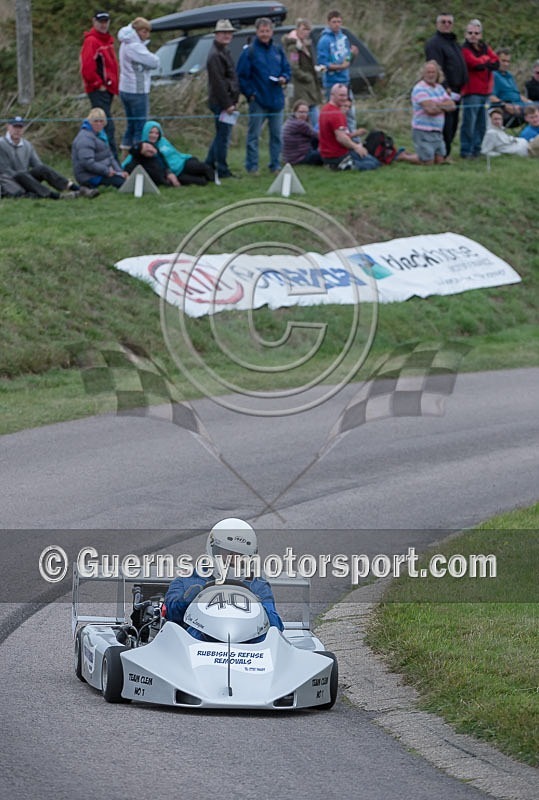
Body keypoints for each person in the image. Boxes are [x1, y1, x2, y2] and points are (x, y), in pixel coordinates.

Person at [164, 518, 284, 642]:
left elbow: (276, 627)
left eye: (240, 556)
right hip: (199, 642)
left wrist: (260, 608)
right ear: (213, 549)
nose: (233, 560)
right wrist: (187, 600)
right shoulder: (188, 579)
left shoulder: (258, 585)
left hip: (246, 645)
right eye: (228, 553)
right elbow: (170, 614)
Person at [237, 17, 291, 175]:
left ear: (272, 32)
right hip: (258, 100)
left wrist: (284, 78)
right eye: (262, 31)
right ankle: (252, 166)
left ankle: (275, 165)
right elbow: (241, 76)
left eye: (267, 31)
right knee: (254, 136)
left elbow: (287, 69)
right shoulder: (250, 52)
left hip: (276, 100)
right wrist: (250, 94)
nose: (265, 34)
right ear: (257, 32)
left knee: (276, 135)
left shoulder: (278, 50)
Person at [0, 116, 98, 199]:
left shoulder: (27, 145)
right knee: (21, 175)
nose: (17, 130)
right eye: (15, 127)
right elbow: (5, 170)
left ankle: (78, 189)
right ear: (8, 127)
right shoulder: (1, 144)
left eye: (20, 127)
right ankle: (55, 196)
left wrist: (32, 177)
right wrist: (27, 179)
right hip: (9, 181)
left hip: (25, 177)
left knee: (42, 169)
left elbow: (37, 165)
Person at [424, 12, 468, 157]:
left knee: (454, 122)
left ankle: (446, 153)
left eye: (449, 22)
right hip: (444, 90)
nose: (447, 24)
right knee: (446, 124)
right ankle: (441, 154)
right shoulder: (434, 43)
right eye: (443, 22)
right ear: (437, 24)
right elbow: (435, 67)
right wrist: (444, 86)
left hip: (458, 89)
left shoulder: (454, 42)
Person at [124, 120, 214, 186]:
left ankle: (216, 182)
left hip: (183, 163)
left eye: (156, 133)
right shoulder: (142, 147)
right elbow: (129, 161)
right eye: (150, 132)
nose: (154, 135)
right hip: (173, 173)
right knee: (202, 182)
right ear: (145, 132)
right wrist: (123, 172)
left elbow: (175, 153)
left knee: (205, 168)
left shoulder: (163, 141)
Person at [79, 10, 119, 159]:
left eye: (105, 22)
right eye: (100, 22)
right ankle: (111, 160)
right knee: (105, 126)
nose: (103, 25)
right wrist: (98, 84)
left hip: (108, 90)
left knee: (103, 125)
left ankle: (105, 158)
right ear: (94, 22)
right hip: (98, 90)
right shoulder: (92, 41)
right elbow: (87, 67)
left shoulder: (107, 40)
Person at [117, 17, 160, 154]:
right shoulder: (135, 46)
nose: (147, 35)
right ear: (137, 31)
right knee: (140, 127)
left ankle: (125, 154)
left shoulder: (125, 42)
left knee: (131, 125)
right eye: (144, 31)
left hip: (125, 88)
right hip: (137, 90)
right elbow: (154, 62)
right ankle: (138, 156)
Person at [205, 19, 240, 180]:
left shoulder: (223, 51)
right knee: (223, 137)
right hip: (221, 102)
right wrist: (227, 104)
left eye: (229, 33)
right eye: (224, 33)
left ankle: (209, 164)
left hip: (226, 100)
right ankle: (222, 169)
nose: (227, 35)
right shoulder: (215, 55)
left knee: (221, 135)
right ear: (217, 34)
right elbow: (218, 83)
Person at [460, 19, 499, 159]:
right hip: (471, 91)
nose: (473, 35)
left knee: (482, 124)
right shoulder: (464, 49)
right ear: (466, 34)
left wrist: (484, 60)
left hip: (485, 91)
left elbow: (496, 63)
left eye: (476, 33)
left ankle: (476, 149)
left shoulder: (485, 47)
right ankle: (466, 150)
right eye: (470, 33)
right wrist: (486, 59)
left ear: (481, 35)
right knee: (469, 123)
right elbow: (474, 64)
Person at [318, 83, 380, 170]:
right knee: (372, 164)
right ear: (332, 95)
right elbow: (341, 138)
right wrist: (356, 147)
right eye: (341, 95)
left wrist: (355, 136)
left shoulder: (325, 109)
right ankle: (334, 166)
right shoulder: (336, 113)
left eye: (345, 95)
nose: (344, 98)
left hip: (332, 154)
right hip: (337, 157)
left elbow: (339, 135)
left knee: (373, 160)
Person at [316, 9, 358, 131]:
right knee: (333, 113)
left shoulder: (343, 37)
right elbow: (322, 64)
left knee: (350, 113)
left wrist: (352, 55)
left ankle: (352, 138)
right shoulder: (324, 40)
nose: (337, 24)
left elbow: (346, 59)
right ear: (329, 23)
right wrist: (340, 67)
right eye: (334, 22)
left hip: (345, 80)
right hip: (332, 82)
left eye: (339, 22)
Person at [411, 60, 456, 165]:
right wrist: (443, 106)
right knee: (428, 162)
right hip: (423, 130)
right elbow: (430, 110)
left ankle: (419, 155)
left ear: (437, 74)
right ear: (423, 74)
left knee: (440, 161)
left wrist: (436, 105)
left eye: (433, 72)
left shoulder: (439, 88)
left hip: (437, 130)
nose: (431, 75)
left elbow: (452, 105)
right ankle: (403, 156)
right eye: (428, 72)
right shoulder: (419, 88)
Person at [72, 107, 128, 188]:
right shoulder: (84, 138)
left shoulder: (101, 135)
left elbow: (110, 156)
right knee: (122, 184)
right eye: (96, 121)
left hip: (101, 172)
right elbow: (87, 162)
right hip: (89, 176)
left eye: (101, 121)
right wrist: (106, 171)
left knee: (125, 180)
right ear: (90, 121)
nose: (98, 124)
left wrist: (119, 172)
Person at [282, 18, 323, 130]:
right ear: (297, 29)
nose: (306, 32)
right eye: (304, 29)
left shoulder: (305, 45)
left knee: (313, 115)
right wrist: (307, 77)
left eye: (308, 29)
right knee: (306, 116)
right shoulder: (294, 48)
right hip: (301, 88)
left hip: (310, 88)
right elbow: (293, 67)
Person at [489, 49, 528, 128]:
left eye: (508, 61)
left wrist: (530, 102)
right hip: (505, 110)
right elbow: (490, 97)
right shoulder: (492, 75)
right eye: (503, 61)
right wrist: (505, 105)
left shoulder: (509, 76)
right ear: (496, 60)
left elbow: (517, 94)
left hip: (520, 106)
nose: (506, 64)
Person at [281, 100, 323, 165]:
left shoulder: (289, 120)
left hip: (288, 157)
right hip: (298, 158)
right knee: (326, 154)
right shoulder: (300, 124)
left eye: (306, 112)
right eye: (301, 112)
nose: (303, 114)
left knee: (315, 140)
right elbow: (318, 136)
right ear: (295, 112)